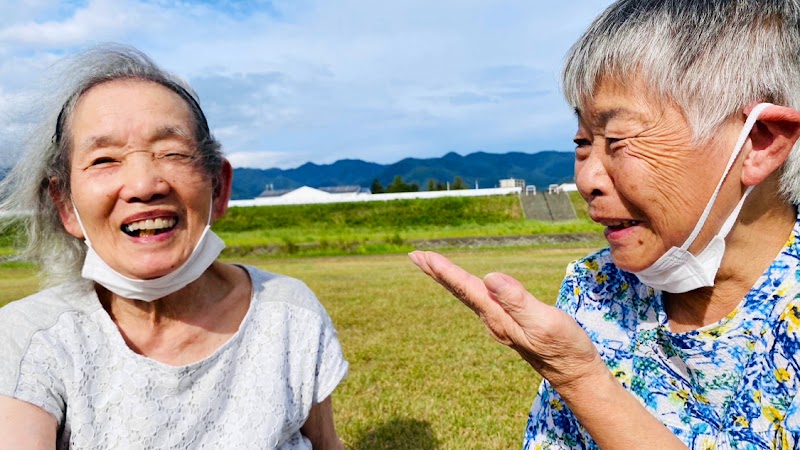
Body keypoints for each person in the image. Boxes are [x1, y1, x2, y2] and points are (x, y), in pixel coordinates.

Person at [411, 0, 800, 448]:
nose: (586, 179)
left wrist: (582, 380)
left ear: (760, 143)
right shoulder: (595, 288)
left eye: (617, 139)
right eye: (582, 141)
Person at [0, 45, 348, 449]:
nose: (145, 185)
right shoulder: (31, 337)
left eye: (173, 152)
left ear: (219, 188)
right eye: (104, 159)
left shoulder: (289, 313)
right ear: (66, 206)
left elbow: (327, 445)